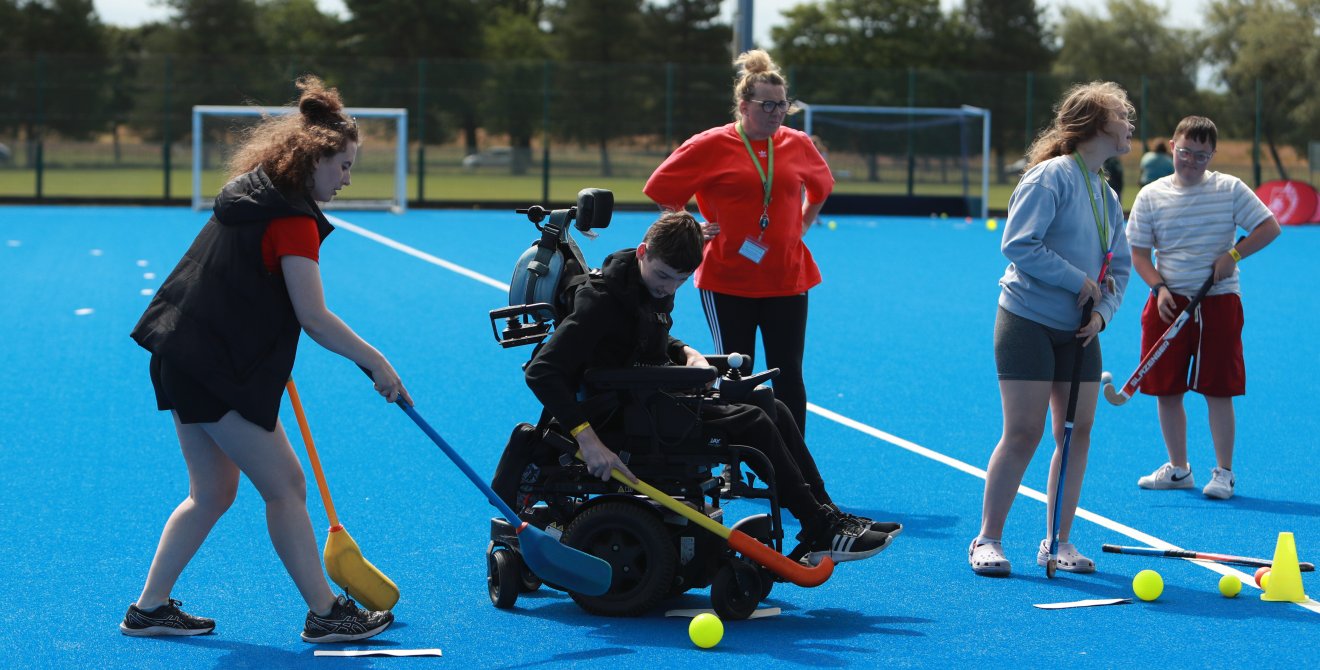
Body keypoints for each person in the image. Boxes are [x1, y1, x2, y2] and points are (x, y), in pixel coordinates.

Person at [123, 76, 404, 642]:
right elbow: (315, 317)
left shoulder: (254, 190)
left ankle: (148, 609)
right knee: (285, 486)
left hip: (181, 351)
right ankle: (327, 615)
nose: (347, 180)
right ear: (314, 161)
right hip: (213, 365)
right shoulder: (292, 219)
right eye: (344, 167)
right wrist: (378, 363)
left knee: (213, 493)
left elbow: (247, 282)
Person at [504, 210, 897, 567]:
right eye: (663, 277)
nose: (668, 289)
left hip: (649, 397)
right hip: (623, 414)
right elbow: (542, 371)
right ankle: (817, 525)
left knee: (771, 405)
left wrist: (687, 352)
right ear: (643, 252)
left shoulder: (642, 283)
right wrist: (588, 441)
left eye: (680, 281)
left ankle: (825, 518)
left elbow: (643, 339)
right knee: (754, 421)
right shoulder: (601, 301)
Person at [969, 81, 1134, 577]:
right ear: (1097, 125)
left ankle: (1058, 541)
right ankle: (987, 539)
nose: (1129, 125)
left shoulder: (1104, 191)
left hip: (1082, 331)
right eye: (1122, 116)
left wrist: (1103, 311)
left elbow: (1120, 268)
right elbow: (1018, 243)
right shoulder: (1051, 177)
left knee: (1078, 432)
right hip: (1028, 320)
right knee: (1024, 431)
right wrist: (1076, 279)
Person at [643, 49, 832, 438]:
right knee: (736, 371)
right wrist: (691, 226)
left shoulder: (797, 144)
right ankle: (734, 457)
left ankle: (793, 461)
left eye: (783, 105)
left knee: (789, 373)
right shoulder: (710, 144)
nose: (777, 113)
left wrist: (800, 227)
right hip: (728, 279)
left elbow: (821, 188)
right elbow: (660, 188)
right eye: (768, 105)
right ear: (744, 106)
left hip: (787, 277)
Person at [1127, 116, 1281, 500]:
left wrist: (1233, 254)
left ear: (1212, 155)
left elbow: (1269, 227)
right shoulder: (1151, 195)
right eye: (1184, 152)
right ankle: (1179, 468)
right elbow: (1140, 255)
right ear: (1171, 146)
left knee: (1218, 388)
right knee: (1166, 389)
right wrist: (1158, 288)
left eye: (1201, 155)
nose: (1191, 161)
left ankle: (1224, 472)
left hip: (1218, 299)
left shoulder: (1229, 188)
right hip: (1168, 300)